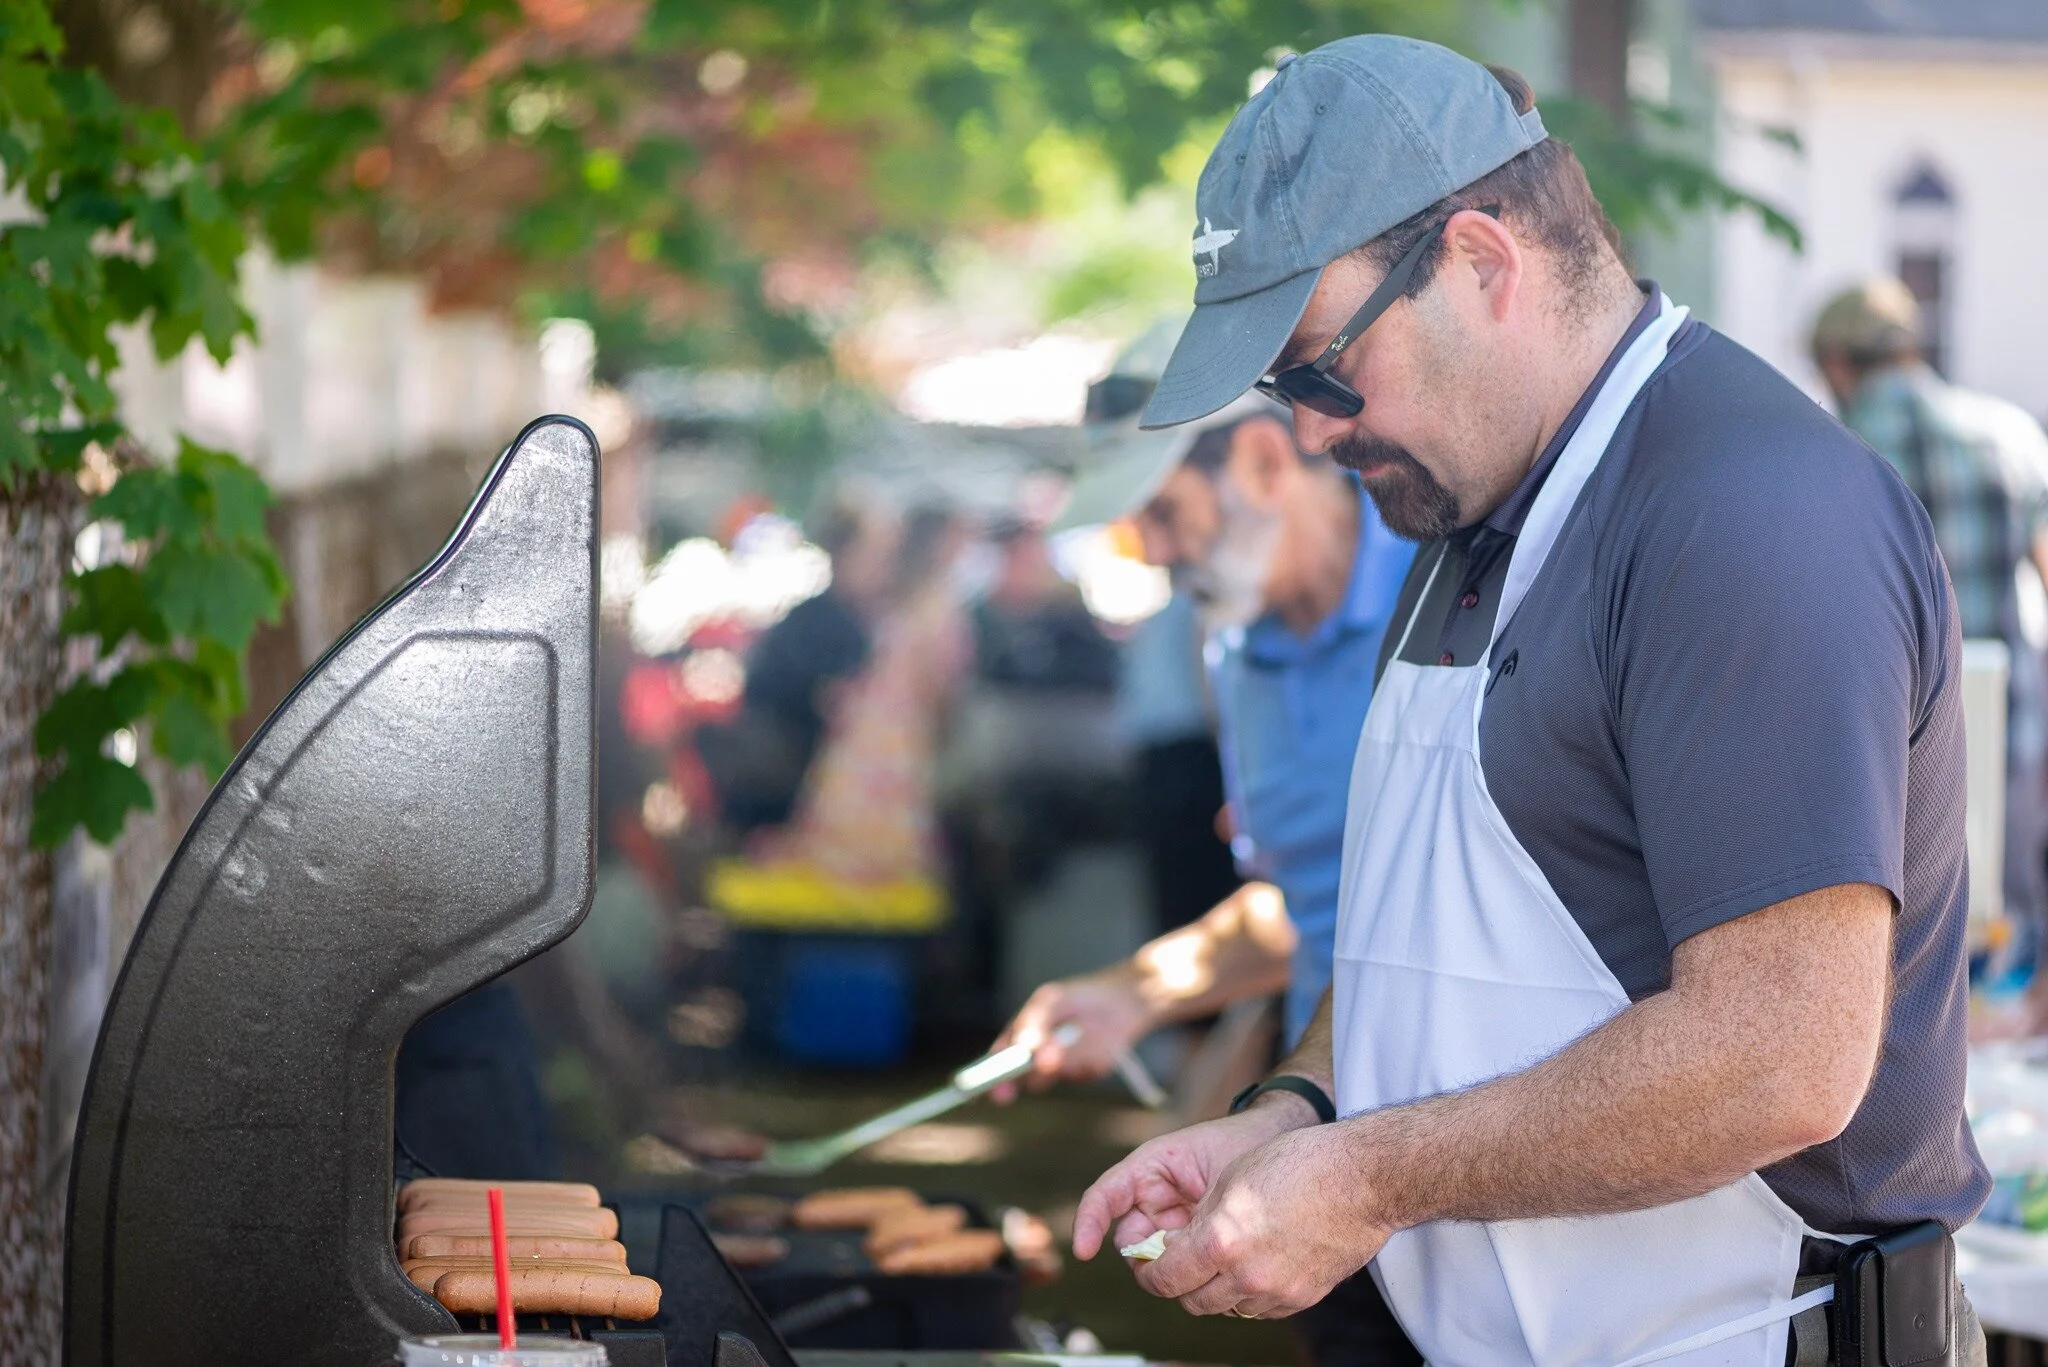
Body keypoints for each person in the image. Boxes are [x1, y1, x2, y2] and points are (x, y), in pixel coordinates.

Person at [1072, 36, 1989, 1367]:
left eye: (1319, 366)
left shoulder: (1741, 514)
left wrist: (1371, 1176)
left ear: (1483, 262)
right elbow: (1414, 930)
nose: (1313, 432)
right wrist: (1298, 1110)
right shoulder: (1465, 511)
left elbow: (1778, 1054)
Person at [1001, 379, 1417, 1361]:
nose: (1146, 549)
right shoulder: (1232, 646)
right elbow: (1299, 899)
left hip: (1473, 1147)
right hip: (1327, 1141)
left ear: (1266, 463)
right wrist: (1132, 992)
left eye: (1160, 508)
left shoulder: (1444, 584)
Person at [1812, 280, 2048, 1011]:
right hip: (2009, 734)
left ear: (1838, 365)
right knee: (2001, 951)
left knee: (1908, 961)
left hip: (1889, 751)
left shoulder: (1832, 455)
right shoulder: (2008, 435)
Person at [695, 500, 892, 831]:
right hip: (786, 791)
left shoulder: (847, 619)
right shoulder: (820, 621)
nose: (883, 566)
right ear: (845, 553)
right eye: (875, 553)